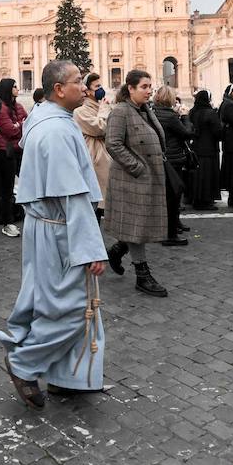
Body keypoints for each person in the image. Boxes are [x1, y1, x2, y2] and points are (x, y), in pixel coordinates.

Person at [0, 61, 107, 407]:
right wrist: (91, 248)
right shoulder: (57, 131)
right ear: (59, 89)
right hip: (61, 229)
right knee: (70, 307)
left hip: (46, 225)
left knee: (48, 298)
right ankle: (24, 364)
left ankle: (66, 374)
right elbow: (70, 194)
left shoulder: (49, 120)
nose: (85, 88)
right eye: (78, 82)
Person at [102, 69, 169, 297]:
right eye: (144, 87)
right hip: (131, 179)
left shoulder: (144, 110)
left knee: (137, 224)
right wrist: (137, 167)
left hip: (147, 177)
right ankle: (142, 274)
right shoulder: (121, 111)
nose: (149, 91)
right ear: (130, 88)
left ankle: (118, 249)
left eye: (150, 86)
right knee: (138, 225)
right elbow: (113, 144)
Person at [151, 85, 192, 247]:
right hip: (173, 159)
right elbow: (187, 133)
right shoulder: (170, 116)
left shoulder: (154, 113)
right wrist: (185, 117)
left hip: (162, 158)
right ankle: (171, 234)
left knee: (167, 195)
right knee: (174, 196)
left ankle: (174, 225)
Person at [0, 78, 27, 238]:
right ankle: (7, 220)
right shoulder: (2, 108)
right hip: (5, 151)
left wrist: (18, 124)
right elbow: (10, 130)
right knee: (7, 187)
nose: (18, 89)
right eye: (15, 86)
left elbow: (27, 121)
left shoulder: (17, 106)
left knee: (22, 182)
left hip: (17, 149)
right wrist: (19, 124)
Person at [74, 73, 112, 221]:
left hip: (107, 158)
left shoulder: (101, 106)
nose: (101, 89)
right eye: (97, 87)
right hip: (95, 162)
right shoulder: (80, 112)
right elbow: (100, 128)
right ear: (88, 91)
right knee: (94, 208)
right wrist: (104, 111)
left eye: (101, 85)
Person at [186, 89, 221, 210]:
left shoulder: (192, 112)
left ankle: (194, 198)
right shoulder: (210, 113)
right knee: (207, 176)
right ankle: (205, 200)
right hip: (209, 148)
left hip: (195, 147)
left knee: (197, 175)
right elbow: (218, 131)